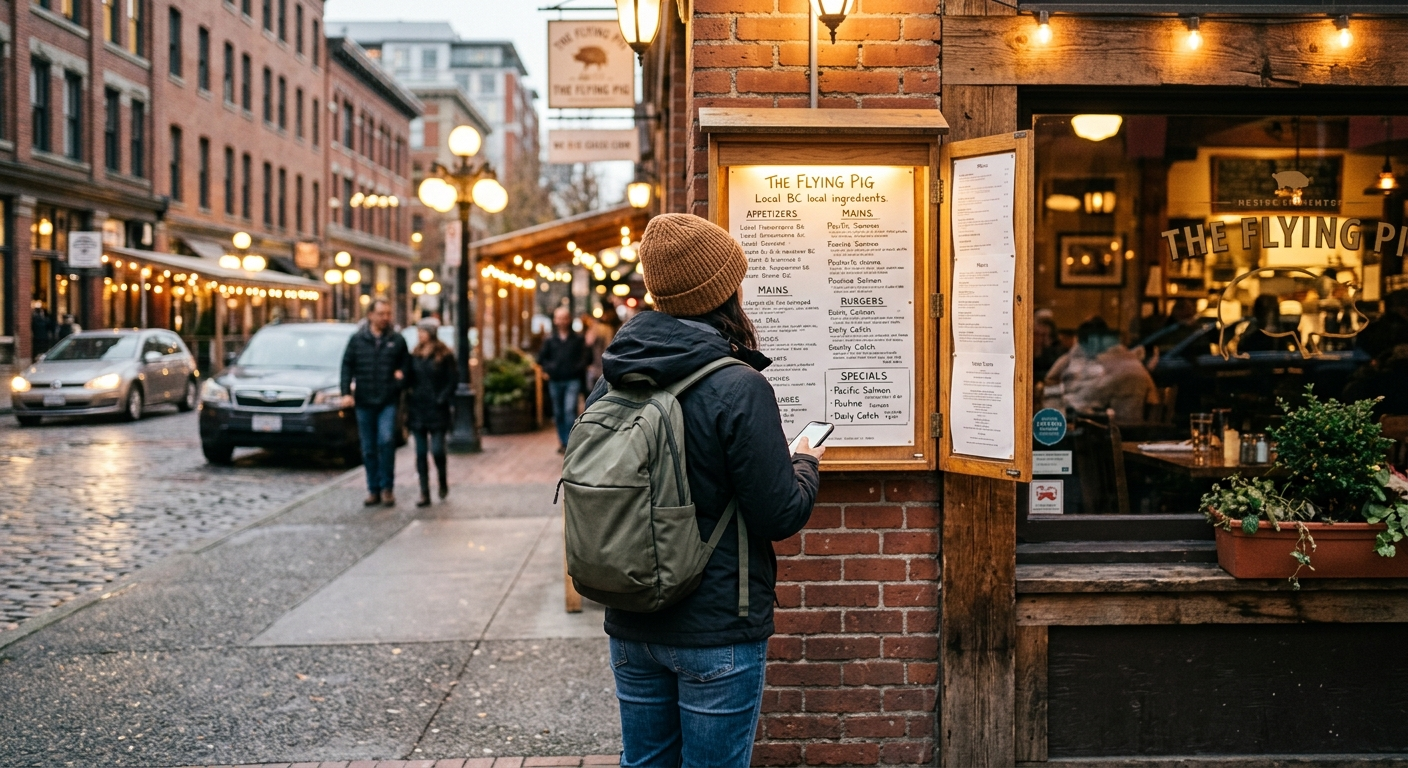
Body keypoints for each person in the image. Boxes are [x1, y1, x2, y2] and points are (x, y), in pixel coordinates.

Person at [587, 213, 823, 768]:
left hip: (631, 619)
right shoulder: (739, 386)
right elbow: (779, 512)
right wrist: (806, 463)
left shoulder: (615, 375)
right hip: (716, 625)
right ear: (724, 292)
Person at [340, 299, 409, 507]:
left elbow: (406, 365)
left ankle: (388, 487)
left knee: (386, 441)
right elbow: (347, 365)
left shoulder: (397, 340)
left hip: (387, 399)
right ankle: (373, 489)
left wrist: (400, 379)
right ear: (370, 315)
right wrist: (346, 392)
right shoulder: (358, 339)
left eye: (388, 313)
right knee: (369, 447)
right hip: (364, 400)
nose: (385, 318)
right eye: (381, 314)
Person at [1044, 316, 1155, 424]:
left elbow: (1081, 402)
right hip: (1134, 425)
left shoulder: (1101, 362)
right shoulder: (1124, 356)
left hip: (1119, 429)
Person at [406, 317, 456, 507]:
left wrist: (441, 398)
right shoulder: (415, 355)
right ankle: (424, 492)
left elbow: (452, 380)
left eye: (423, 331)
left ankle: (442, 482)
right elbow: (409, 378)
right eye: (418, 332)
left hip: (437, 409)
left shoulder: (444, 355)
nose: (420, 335)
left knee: (437, 450)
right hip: (418, 408)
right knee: (420, 453)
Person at [537, 306, 589, 452]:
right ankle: (563, 441)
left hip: (572, 379)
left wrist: (576, 368)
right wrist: (551, 368)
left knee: (569, 410)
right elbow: (541, 359)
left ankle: (570, 441)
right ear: (555, 320)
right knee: (558, 412)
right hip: (555, 380)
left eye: (564, 318)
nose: (561, 321)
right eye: (559, 318)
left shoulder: (578, 339)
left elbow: (584, 358)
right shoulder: (549, 340)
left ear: (569, 319)